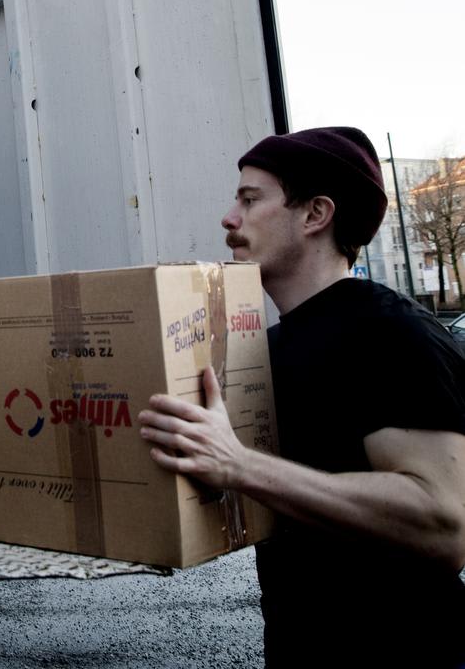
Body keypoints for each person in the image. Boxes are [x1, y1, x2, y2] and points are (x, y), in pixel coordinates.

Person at [137, 126, 465, 667]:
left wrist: (239, 465)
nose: (229, 219)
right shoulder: (264, 349)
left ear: (315, 214)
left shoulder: (393, 334)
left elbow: (443, 523)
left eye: (250, 200)